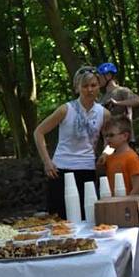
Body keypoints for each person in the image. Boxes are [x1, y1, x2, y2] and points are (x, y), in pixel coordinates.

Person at [34, 66, 111, 219]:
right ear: (77, 88)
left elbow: (110, 140)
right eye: (85, 86)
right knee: (60, 218)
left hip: (87, 169)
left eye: (93, 85)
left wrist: (105, 153)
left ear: (99, 87)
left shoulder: (104, 113)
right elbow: (38, 132)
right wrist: (47, 162)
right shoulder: (65, 110)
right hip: (61, 169)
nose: (89, 90)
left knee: (87, 216)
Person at [97, 62, 139, 142]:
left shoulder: (121, 91)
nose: (98, 80)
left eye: (100, 77)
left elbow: (137, 101)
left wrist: (117, 103)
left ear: (108, 76)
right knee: (107, 154)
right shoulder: (101, 98)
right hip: (110, 143)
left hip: (125, 140)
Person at [99, 116, 139, 196]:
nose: (108, 139)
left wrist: (128, 203)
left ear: (125, 136)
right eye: (106, 136)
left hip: (127, 204)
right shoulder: (108, 157)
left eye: (111, 135)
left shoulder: (131, 158)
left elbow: (138, 187)